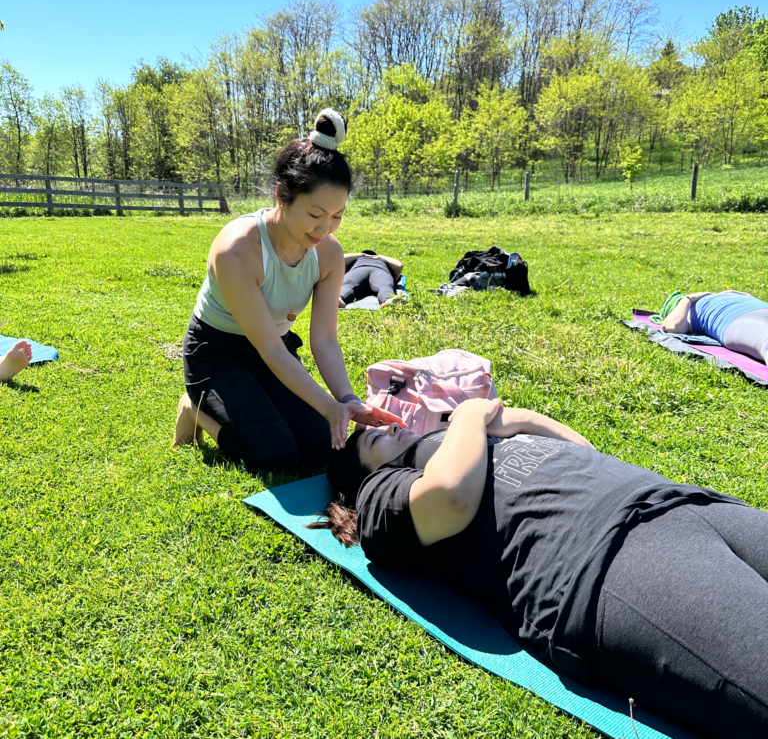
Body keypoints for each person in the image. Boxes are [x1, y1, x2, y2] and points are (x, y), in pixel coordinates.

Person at [311, 399, 768, 739]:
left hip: (677, 502)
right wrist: (469, 416)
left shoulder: (461, 442)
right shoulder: (380, 492)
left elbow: (583, 449)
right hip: (606, 560)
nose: (391, 428)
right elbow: (451, 498)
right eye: (376, 439)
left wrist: (518, 420)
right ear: (361, 477)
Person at [172, 109, 403, 471]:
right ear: (282, 195)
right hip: (217, 353)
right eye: (315, 214)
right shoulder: (237, 249)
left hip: (274, 350)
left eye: (337, 215)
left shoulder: (329, 254)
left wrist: (346, 400)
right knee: (274, 455)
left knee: (320, 447)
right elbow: (268, 349)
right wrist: (326, 406)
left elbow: (324, 339)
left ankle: (234, 406)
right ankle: (195, 408)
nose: (326, 228)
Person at [654, 289, 768, 364]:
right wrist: (686, 299)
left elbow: (673, 326)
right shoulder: (687, 310)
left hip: (746, 316)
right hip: (738, 319)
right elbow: (672, 326)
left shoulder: (696, 304)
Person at [339, 250, 403, 308]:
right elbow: (399, 266)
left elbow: (341, 258)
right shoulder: (382, 261)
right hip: (380, 270)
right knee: (385, 286)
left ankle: (338, 299)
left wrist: (362, 255)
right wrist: (380, 257)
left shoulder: (358, 259)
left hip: (359, 269)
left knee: (348, 284)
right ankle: (388, 300)